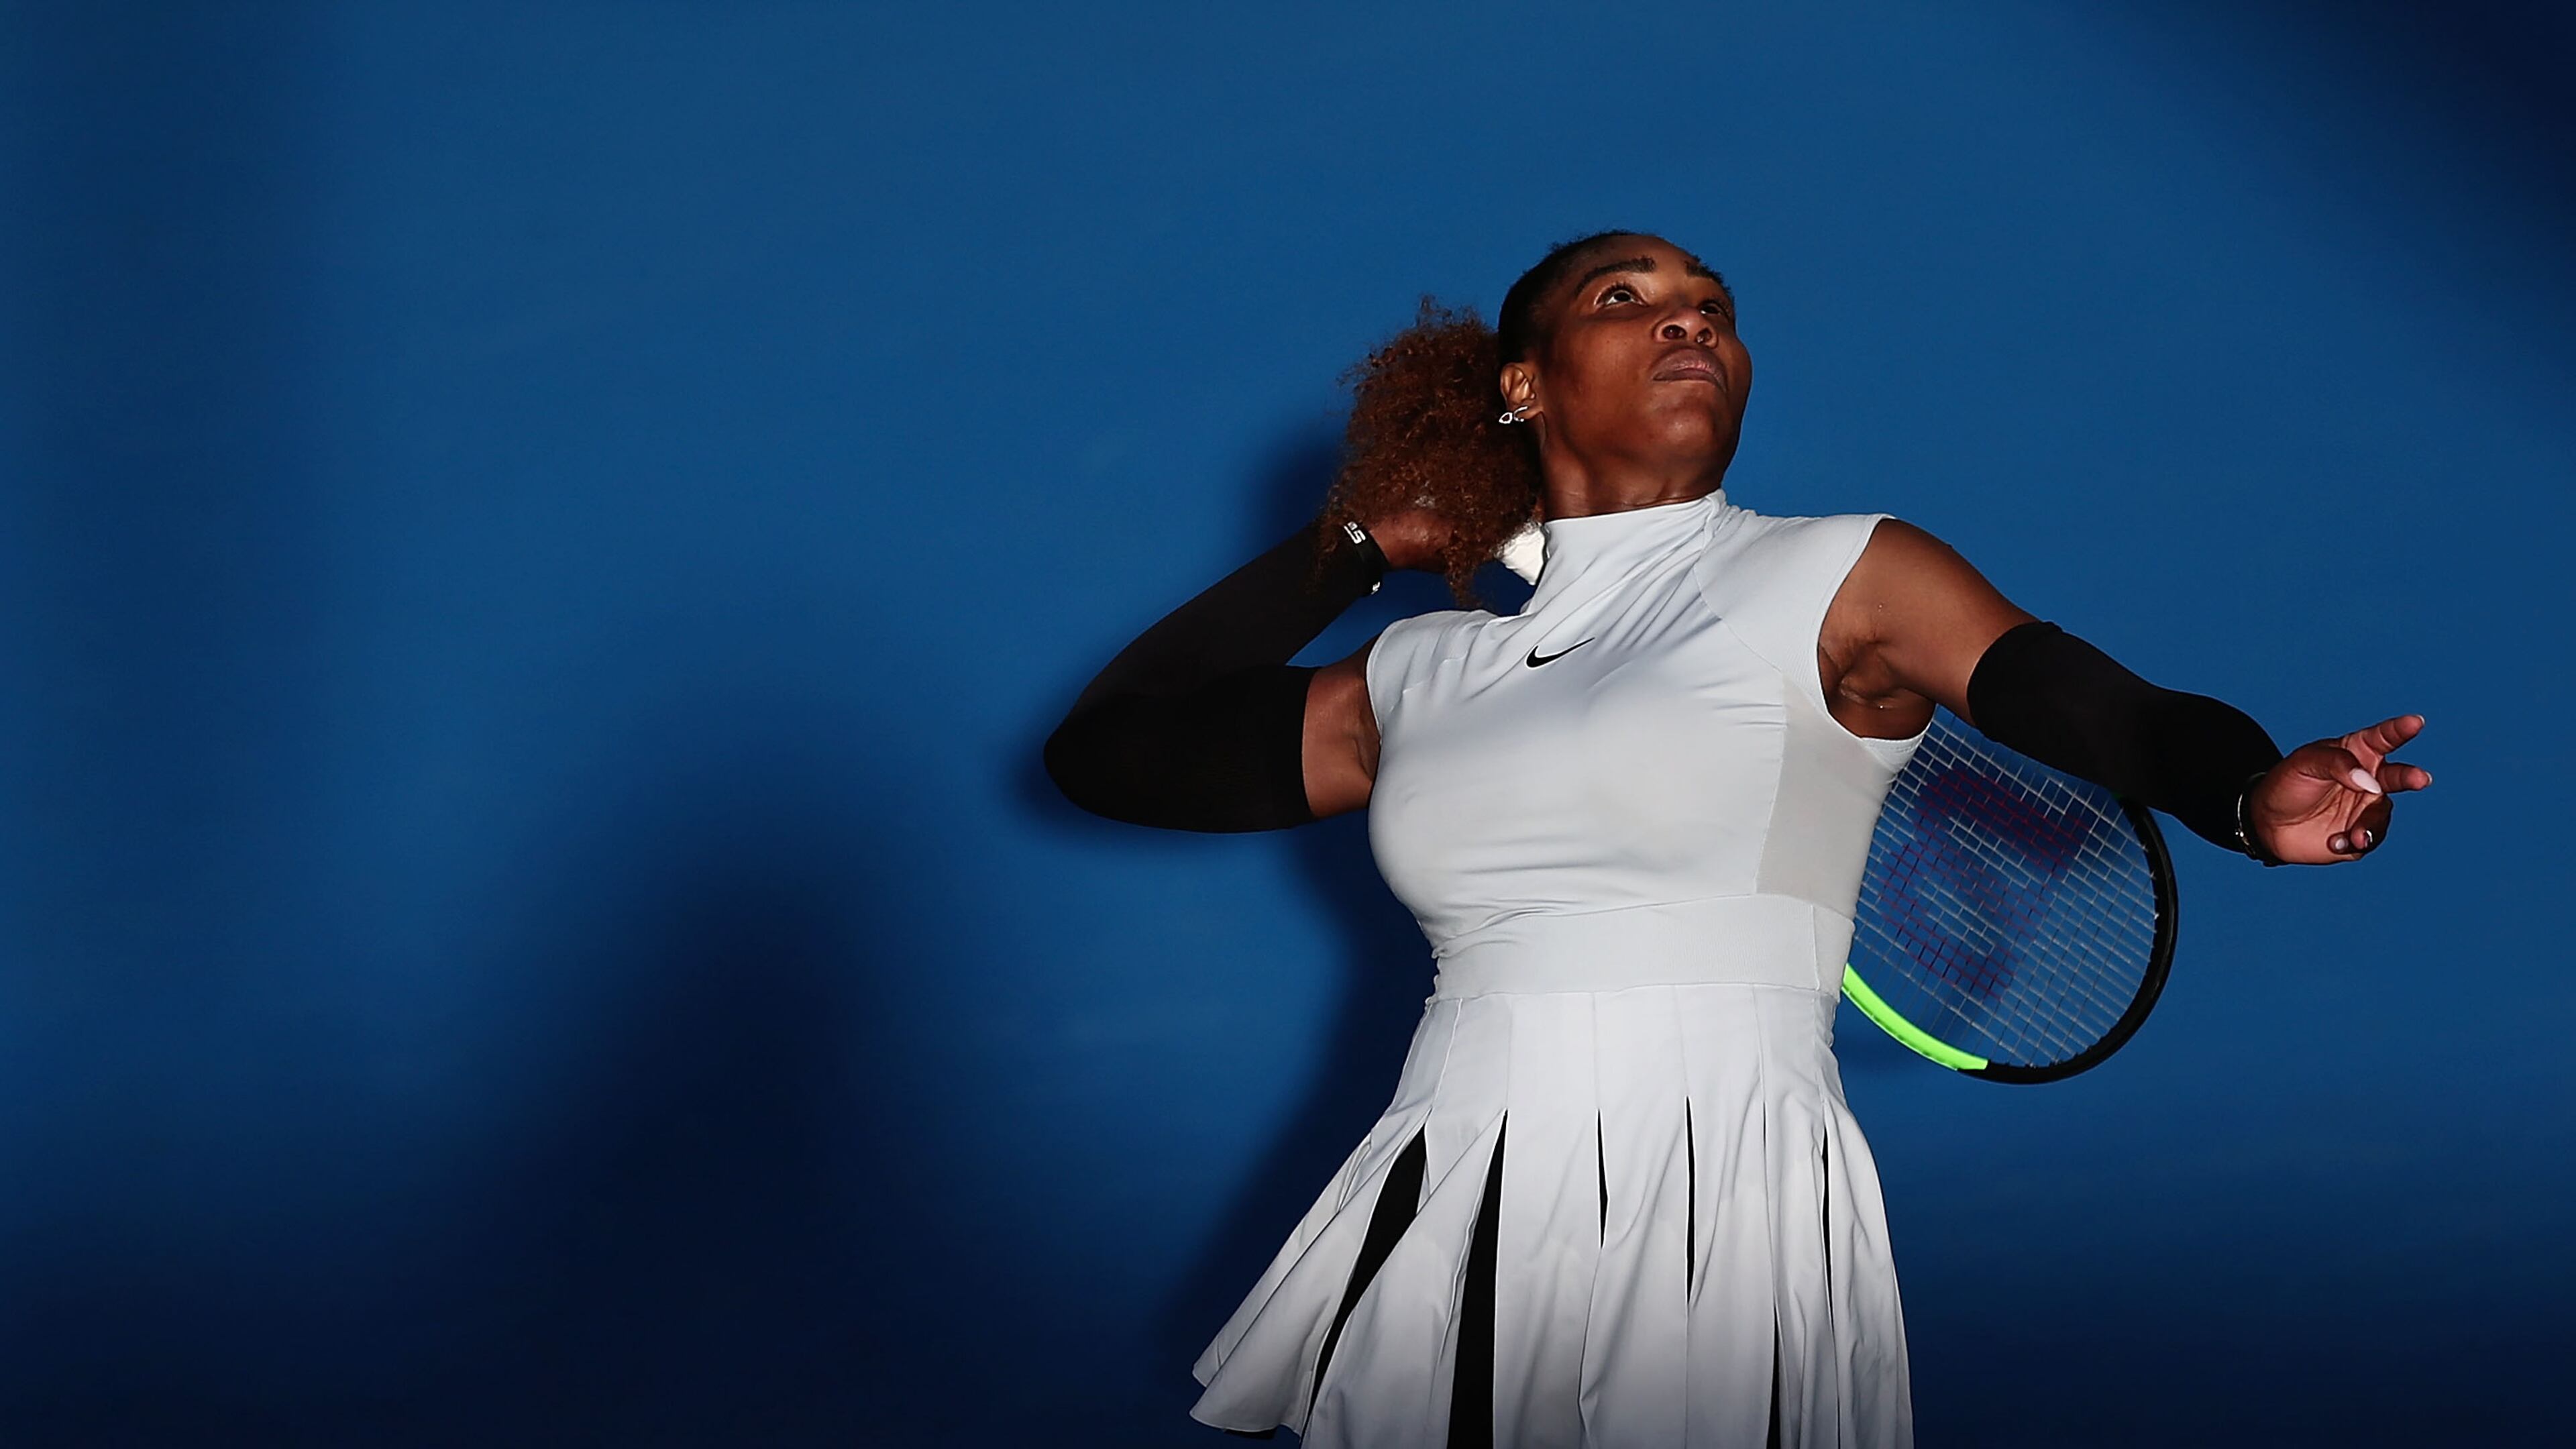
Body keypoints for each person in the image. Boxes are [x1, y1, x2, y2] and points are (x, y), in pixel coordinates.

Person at [1042, 232, 2428, 1449]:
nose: (1689, 317)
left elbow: (2086, 703)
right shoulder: (1417, 677)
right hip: (1460, 1188)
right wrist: (1352, 543)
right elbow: (1110, 748)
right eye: (1625, 295)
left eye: (1711, 301)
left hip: (1723, 1195)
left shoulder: (1841, 576)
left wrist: (2245, 794)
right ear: (1523, 383)